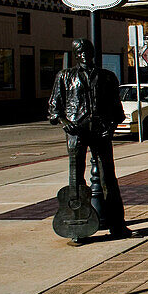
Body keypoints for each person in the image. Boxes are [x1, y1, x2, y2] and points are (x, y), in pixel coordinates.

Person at [48, 39, 134, 239]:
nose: (84, 54)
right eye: (80, 51)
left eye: (87, 50)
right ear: (75, 54)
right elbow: (54, 108)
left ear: (93, 53)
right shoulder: (65, 76)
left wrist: (111, 127)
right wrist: (64, 121)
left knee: (108, 180)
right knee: (76, 180)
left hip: (100, 131)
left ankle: (118, 225)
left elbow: (117, 110)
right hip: (76, 131)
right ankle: (77, 228)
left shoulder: (107, 77)